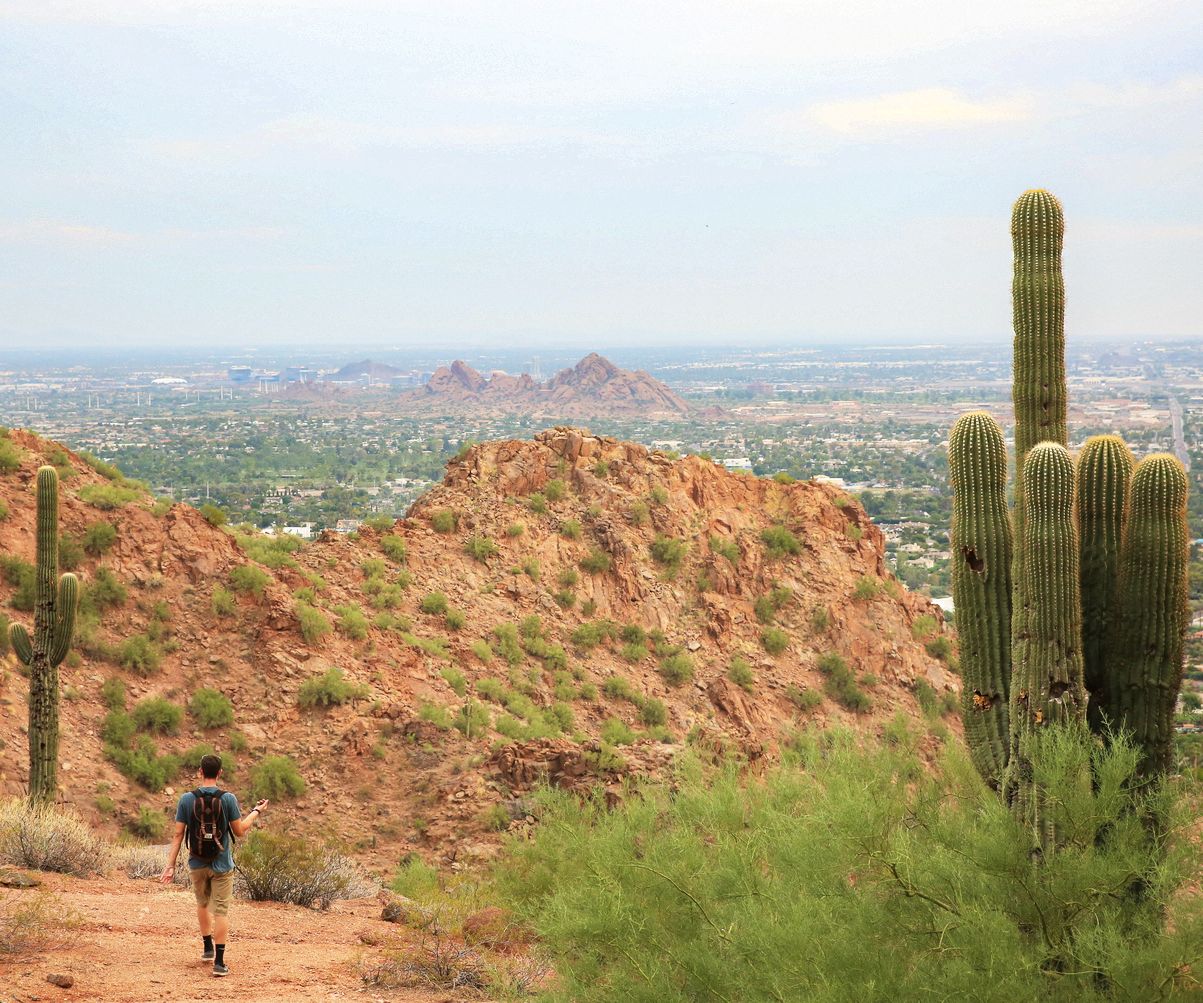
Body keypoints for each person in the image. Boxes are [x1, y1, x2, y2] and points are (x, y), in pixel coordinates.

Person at [161, 753, 268, 977]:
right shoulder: (228, 799)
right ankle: (219, 962)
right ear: (219, 773)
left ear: (200, 772)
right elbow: (239, 831)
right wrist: (256, 812)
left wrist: (170, 865)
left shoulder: (186, 800)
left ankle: (207, 948)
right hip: (222, 864)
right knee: (220, 912)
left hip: (197, 862)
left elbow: (178, 835)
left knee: (202, 904)